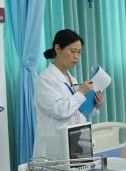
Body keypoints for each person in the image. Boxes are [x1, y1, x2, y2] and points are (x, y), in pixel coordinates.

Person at [32, 29, 103, 159]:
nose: (76, 56)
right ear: (58, 49)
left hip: (74, 144)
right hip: (53, 148)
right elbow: (60, 110)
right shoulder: (45, 79)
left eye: (79, 52)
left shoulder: (71, 79)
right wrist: (81, 92)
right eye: (73, 51)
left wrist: (94, 105)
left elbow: (77, 112)